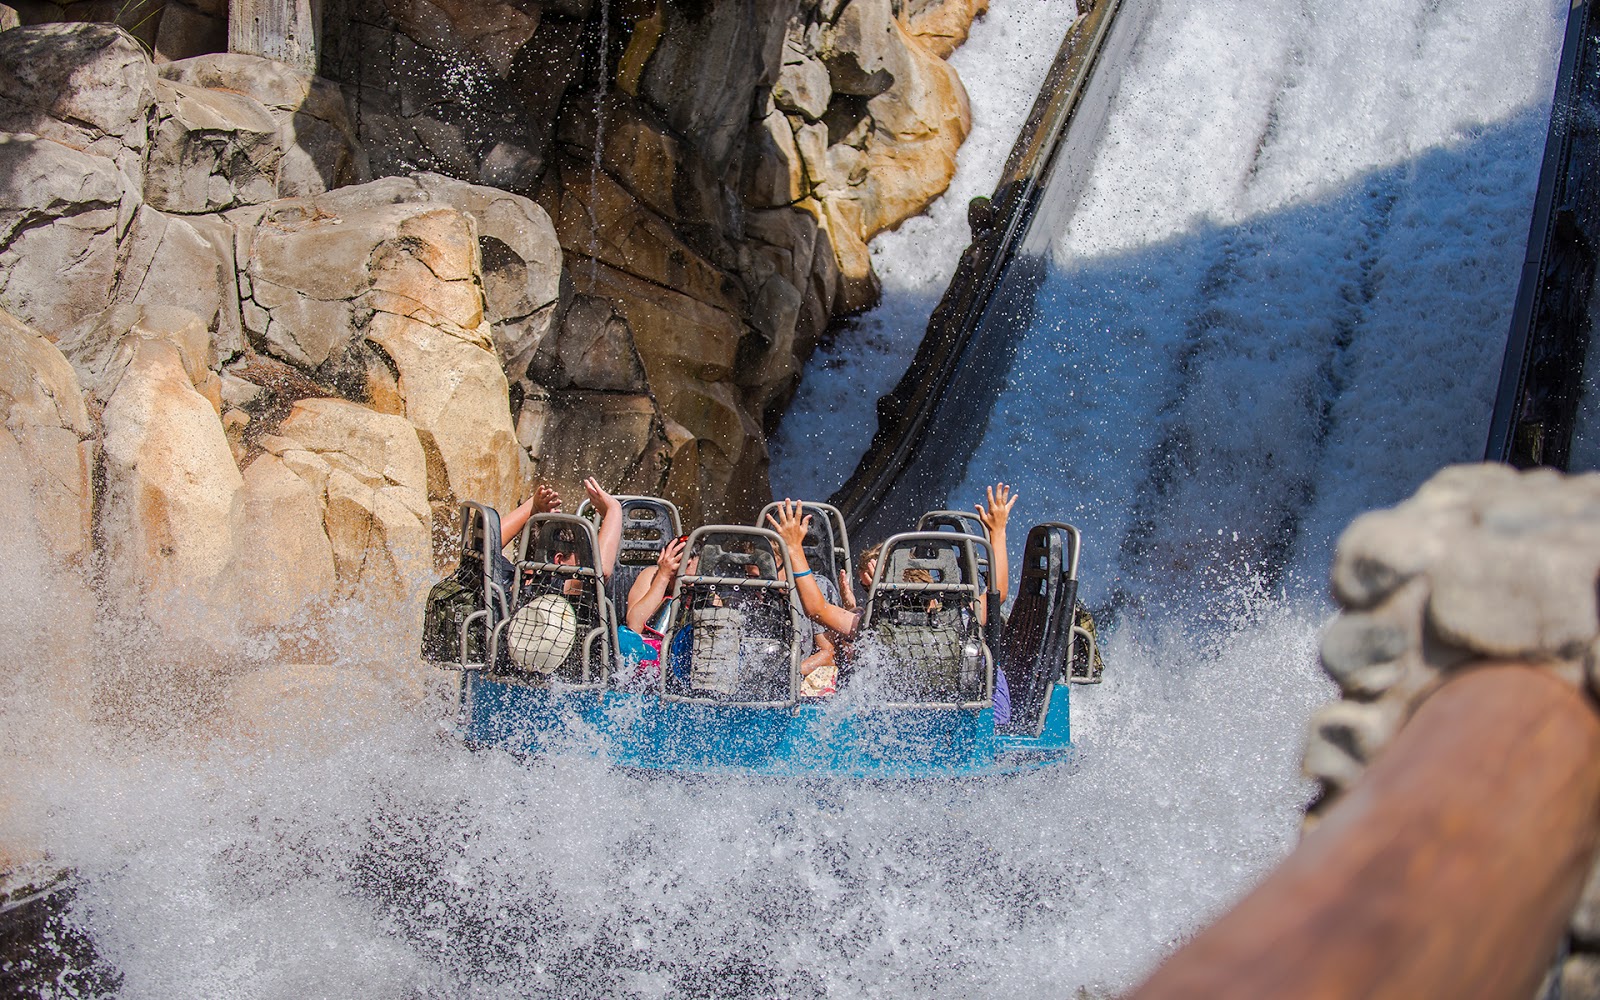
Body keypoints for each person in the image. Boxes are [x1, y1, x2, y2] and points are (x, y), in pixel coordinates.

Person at [768, 482, 1019, 719]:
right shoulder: (959, 619)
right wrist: (998, 532)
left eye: (870, 588)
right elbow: (998, 594)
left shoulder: (876, 627)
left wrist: (794, 549)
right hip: (961, 713)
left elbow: (817, 609)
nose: (869, 595)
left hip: (959, 712)